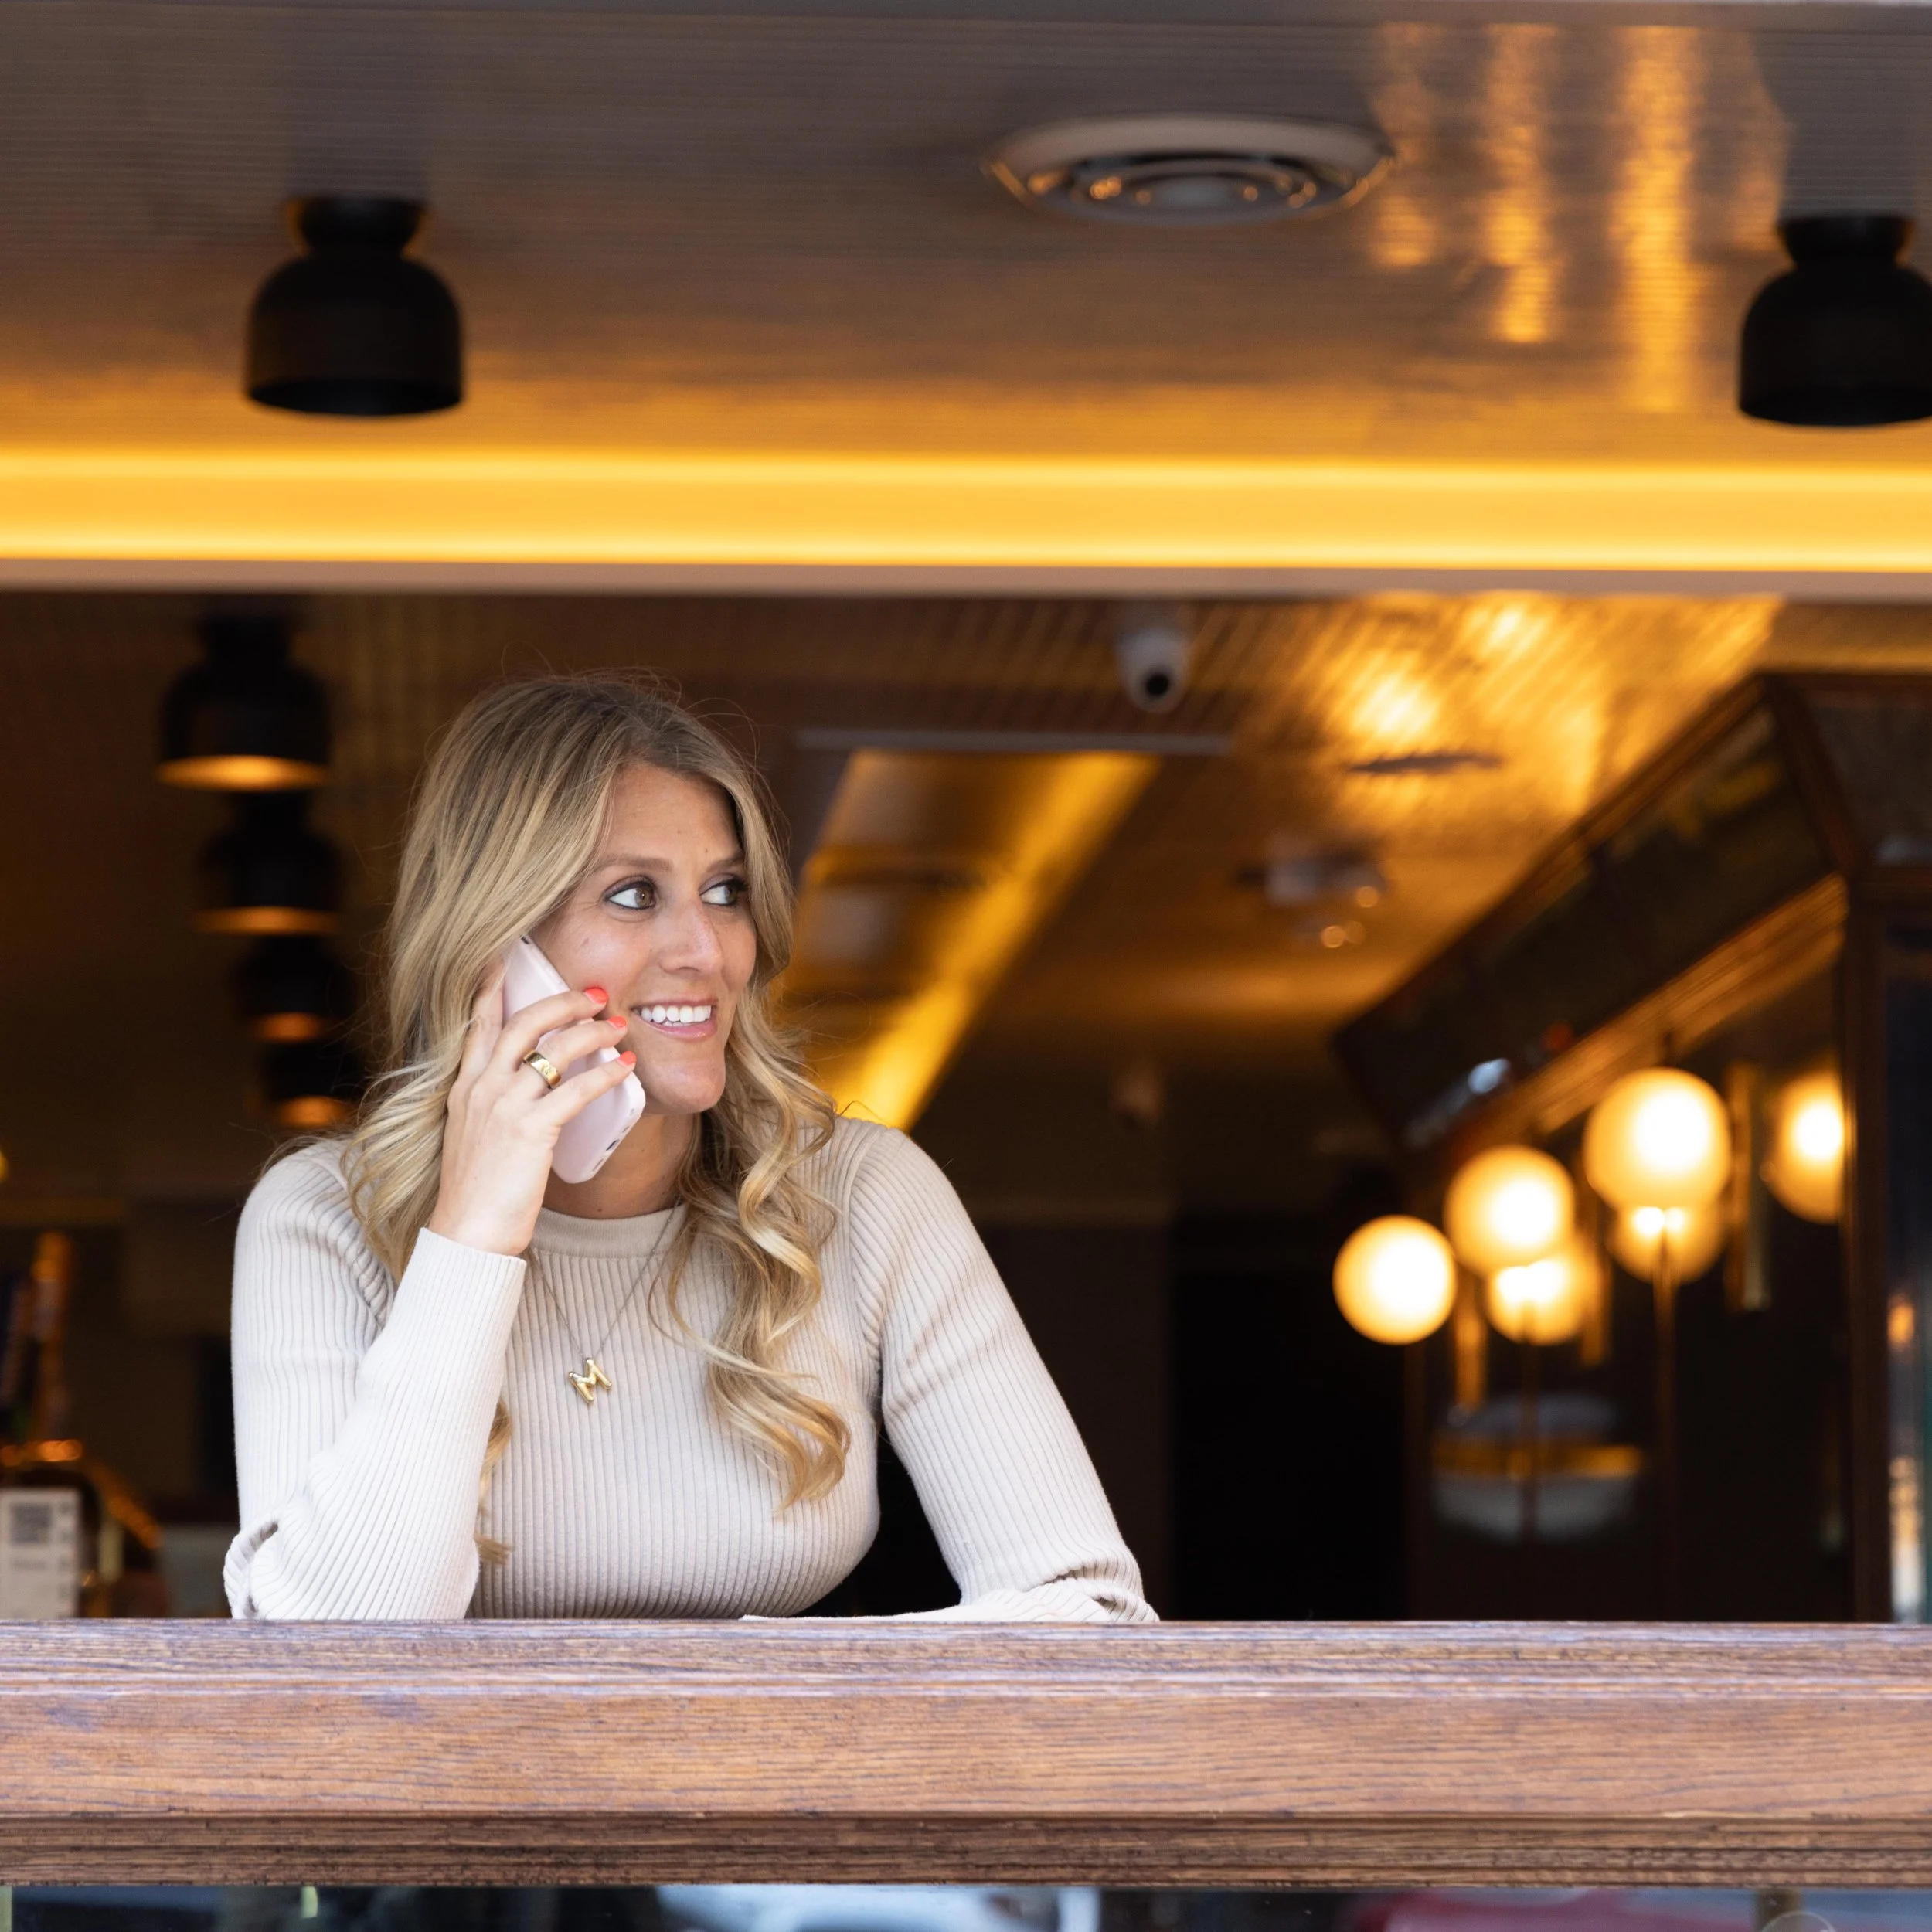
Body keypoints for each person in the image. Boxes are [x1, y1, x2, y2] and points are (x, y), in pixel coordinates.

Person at [224, 675, 1153, 1623]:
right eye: (634, 895)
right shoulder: (323, 1216)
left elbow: (1086, 1606)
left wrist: (757, 1698)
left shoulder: (865, 1194)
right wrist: (469, 1241)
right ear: (493, 946)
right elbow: (332, 1662)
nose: (707, 951)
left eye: (726, 892)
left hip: (777, 1772)